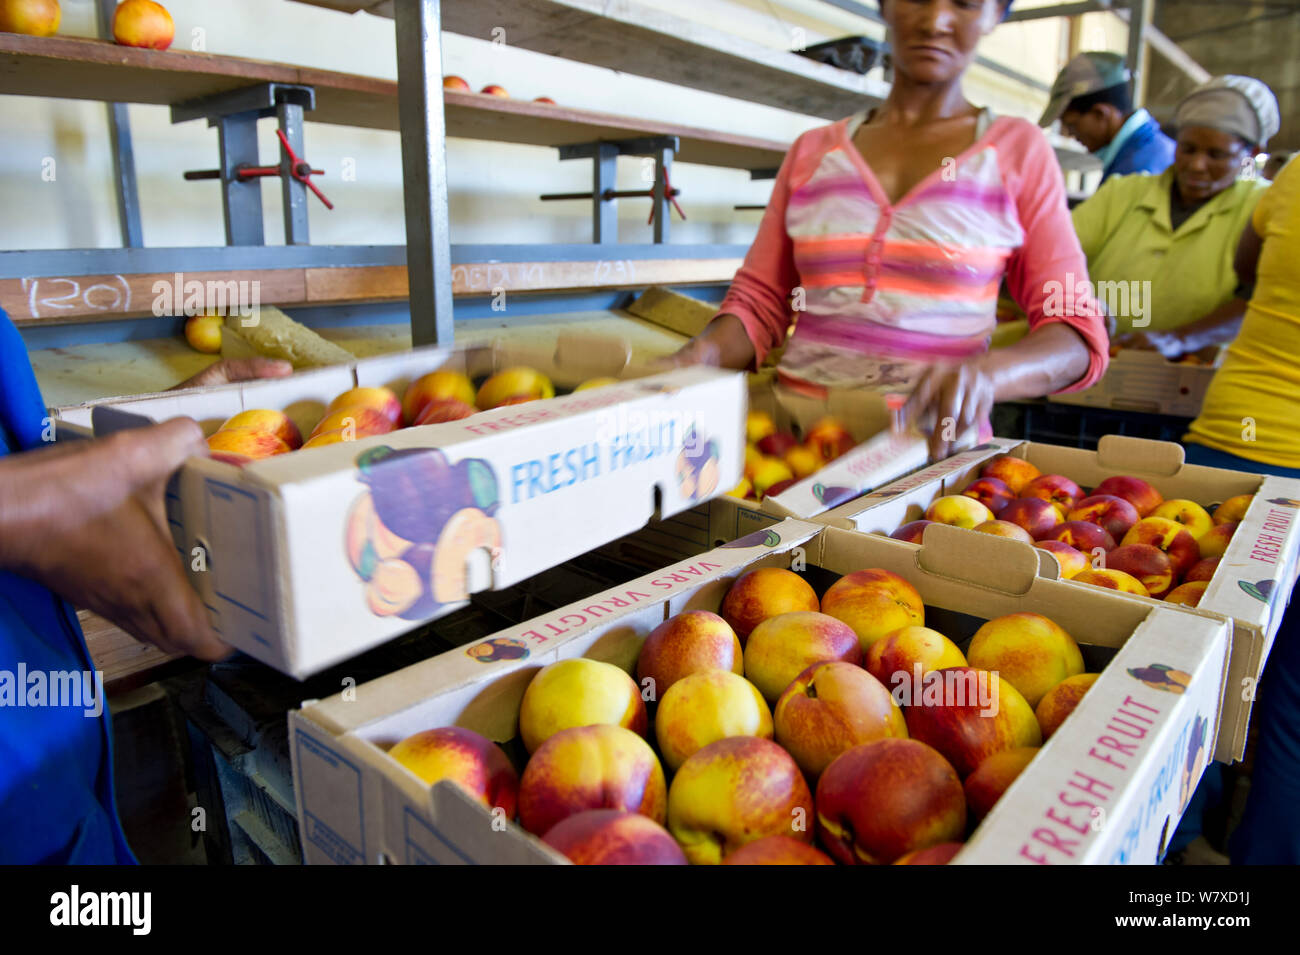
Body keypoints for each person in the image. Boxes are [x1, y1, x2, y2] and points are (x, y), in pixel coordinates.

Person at [672, 0, 1109, 460]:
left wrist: (989, 372)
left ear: (995, 14)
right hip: (791, 452)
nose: (935, 20)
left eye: (964, 3)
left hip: (929, 469)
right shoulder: (813, 153)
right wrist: (701, 357)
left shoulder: (1018, 153)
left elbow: (1075, 330)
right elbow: (760, 301)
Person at [0, 307, 291, 863]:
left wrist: (157, 423)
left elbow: (29, 458)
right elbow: (43, 495)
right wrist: (31, 511)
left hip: (58, 775)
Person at [1174, 158, 1300, 866]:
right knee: (1291, 703)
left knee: (1199, 669)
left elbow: (1243, 264)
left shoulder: (1295, 176)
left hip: (1237, 443)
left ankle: (1181, 839)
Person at [1071, 75, 1279, 354]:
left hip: (1196, 377)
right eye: (1188, 149)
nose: (1196, 165)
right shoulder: (1123, 193)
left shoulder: (1264, 207)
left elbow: (1264, 298)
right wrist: (1073, 306)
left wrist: (1180, 339)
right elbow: (1058, 256)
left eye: (1216, 155)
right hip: (1099, 361)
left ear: (1250, 153)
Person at [1040, 51, 1176, 181]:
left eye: (1072, 125)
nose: (1068, 134)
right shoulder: (1146, 149)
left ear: (1100, 114)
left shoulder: (1135, 171)